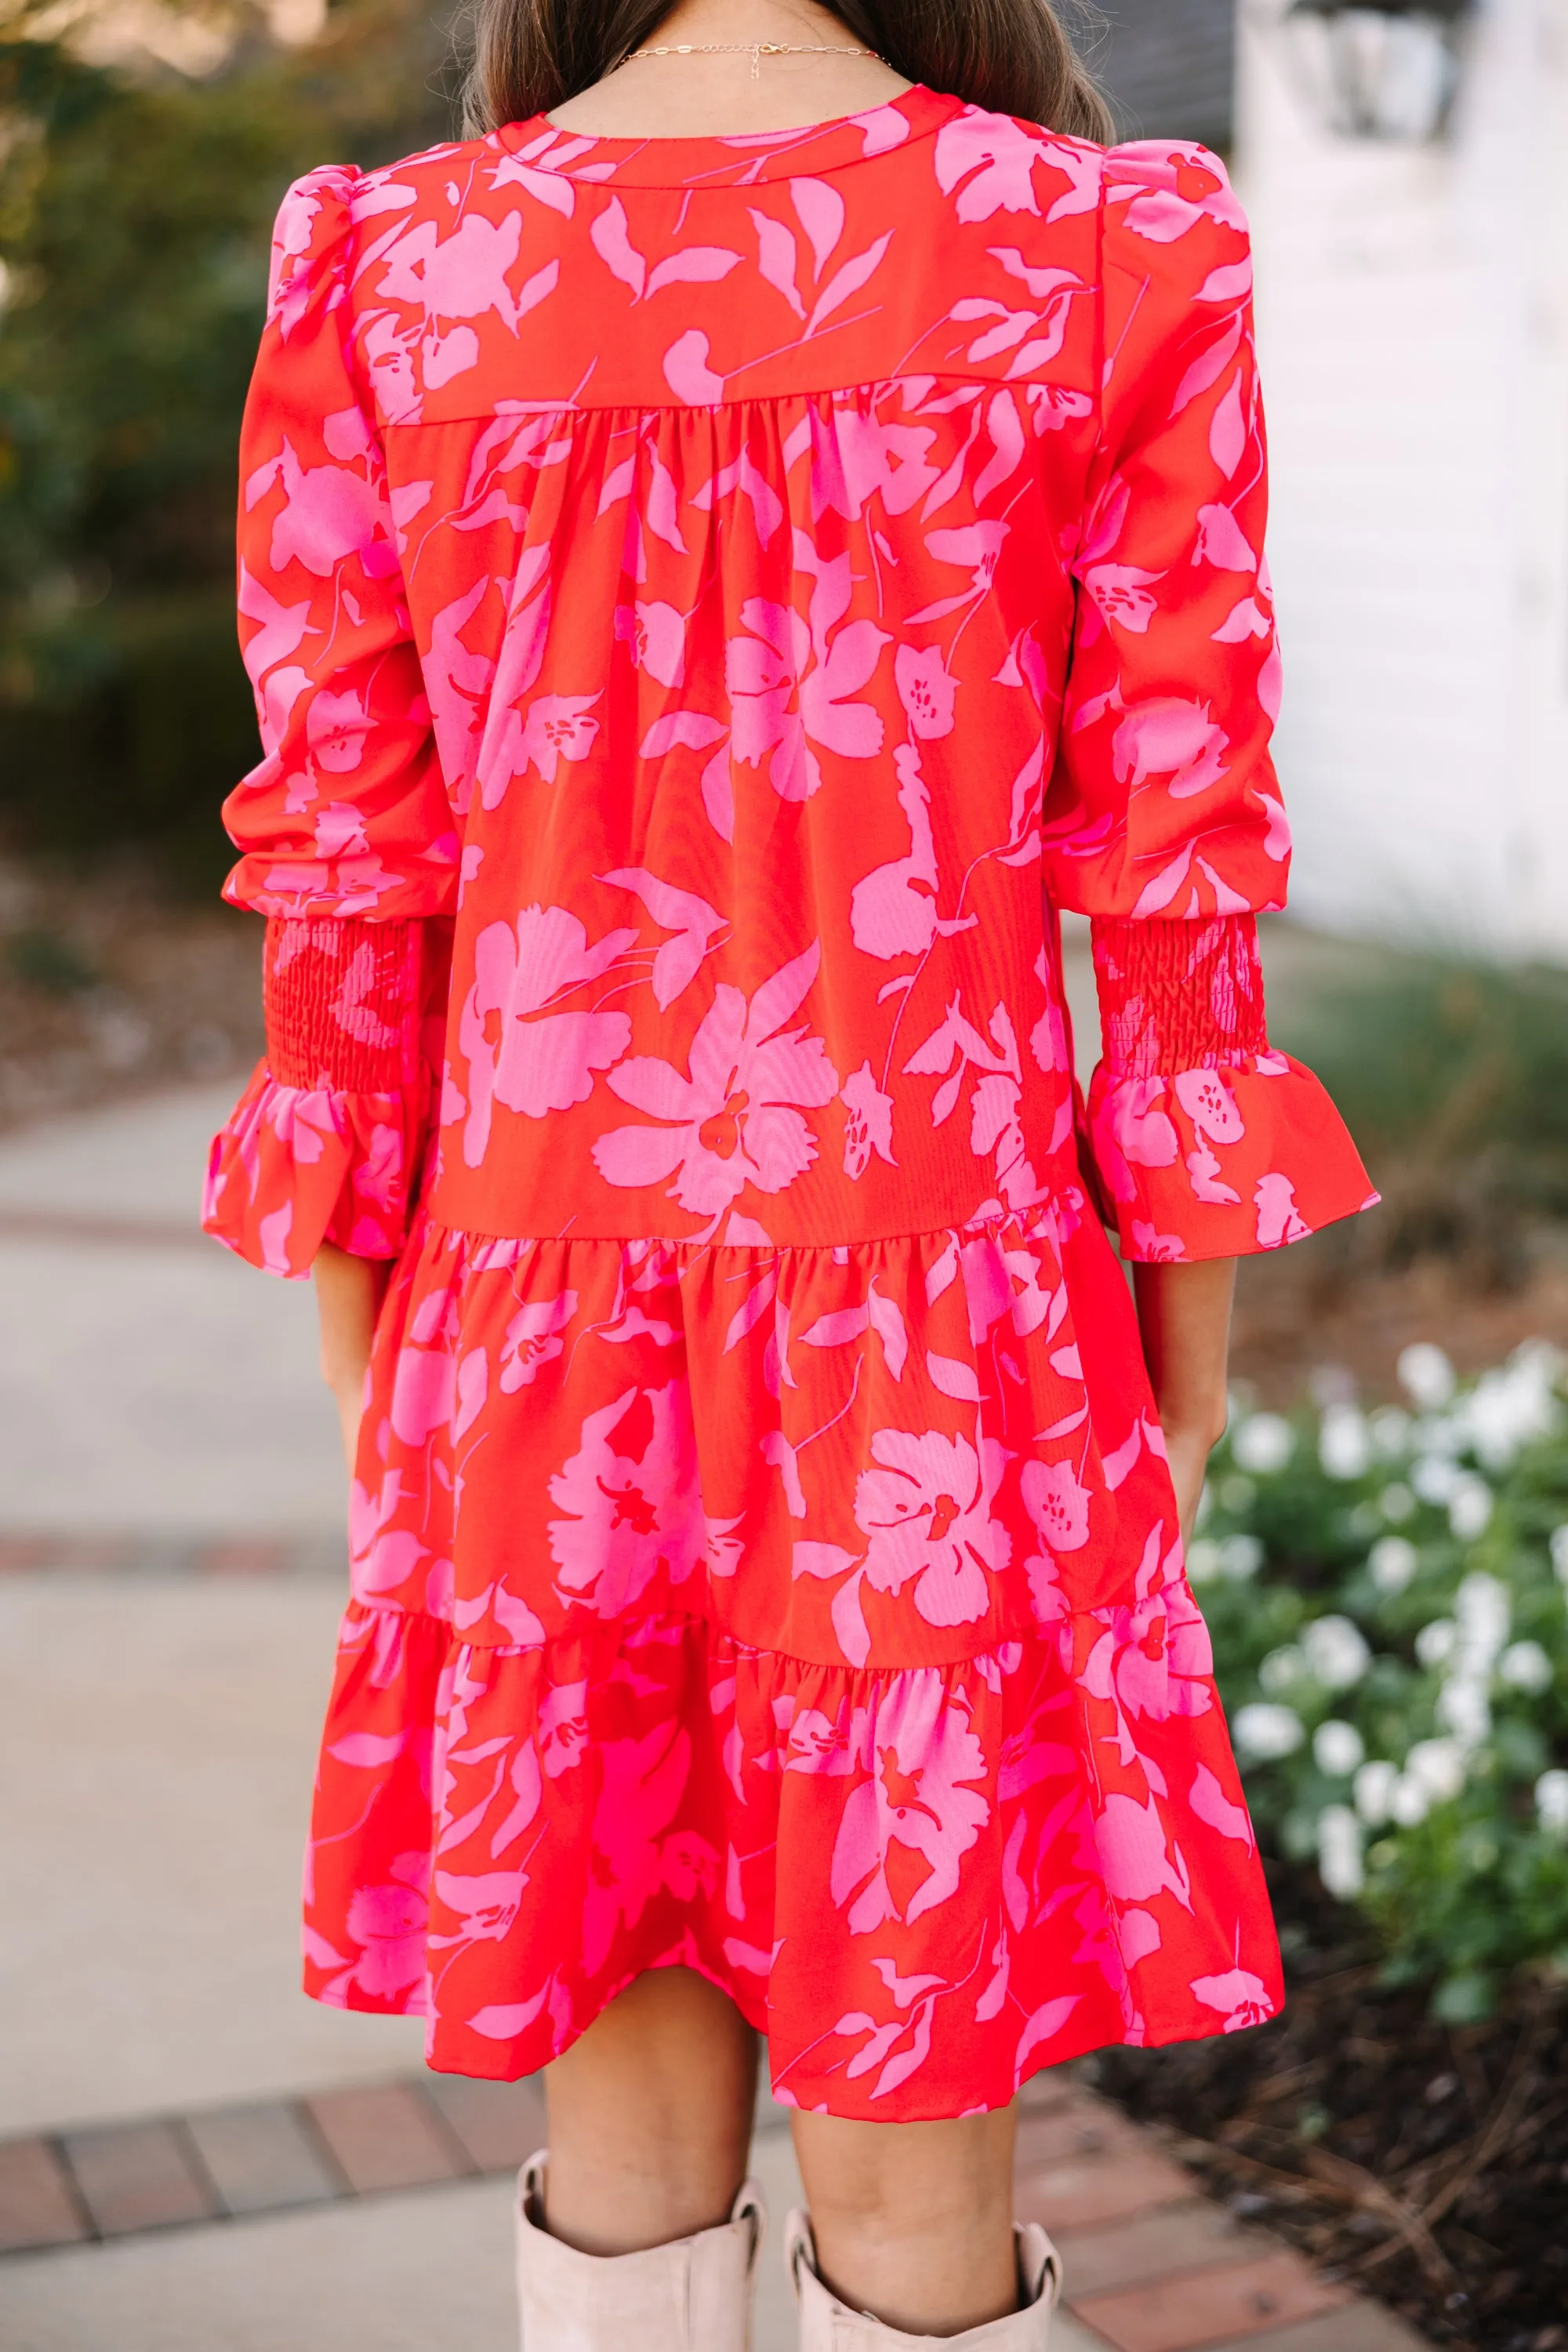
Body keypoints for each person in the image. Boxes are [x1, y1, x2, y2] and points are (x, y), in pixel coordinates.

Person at [203, 0, 1374, 2340]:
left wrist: (375, 1347)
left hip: (529, 1303)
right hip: (942, 1333)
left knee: (616, 2155)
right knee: (916, 2166)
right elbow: (1168, 878)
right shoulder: (1106, 245)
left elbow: (355, 876)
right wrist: (1180, 1371)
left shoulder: (390, 265)